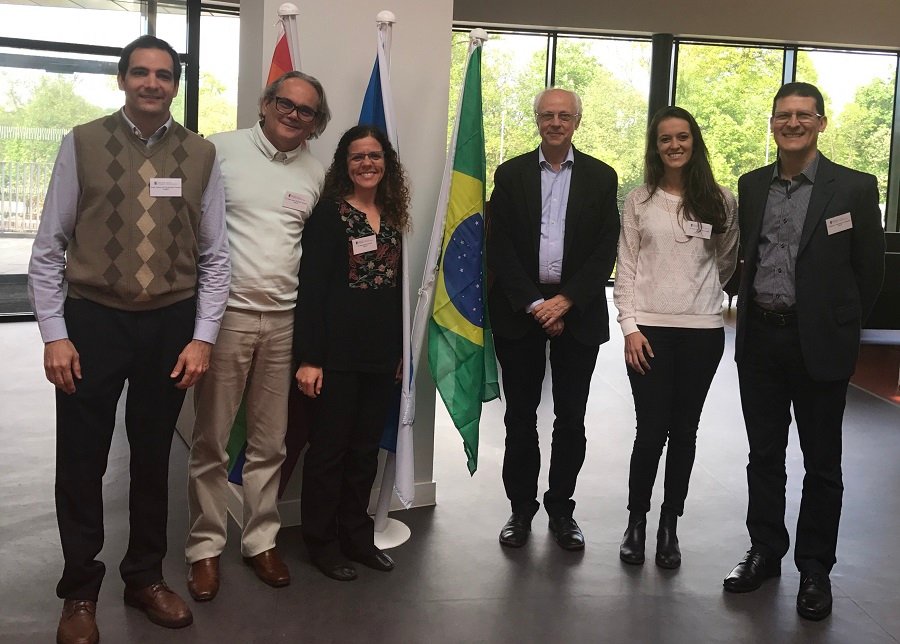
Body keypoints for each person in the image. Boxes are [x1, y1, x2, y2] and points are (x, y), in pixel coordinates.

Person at [27, 35, 230, 644]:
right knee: (82, 461)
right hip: (92, 322)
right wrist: (55, 334)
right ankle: (80, 592)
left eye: (163, 75)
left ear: (175, 85)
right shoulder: (83, 142)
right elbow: (47, 250)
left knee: (153, 458)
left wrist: (203, 338)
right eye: (139, 73)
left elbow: (216, 257)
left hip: (170, 326)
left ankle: (144, 578)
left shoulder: (200, 155)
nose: (151, 83)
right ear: (122, 80)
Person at [723, 82, 885, 621]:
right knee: (763, 455)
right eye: (782, 116)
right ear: (772, 124)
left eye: (803, 115)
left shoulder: (855, 188)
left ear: (821, 122)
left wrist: (837, 327)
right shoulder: (750, 186)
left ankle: (815, 568)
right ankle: (766, 550)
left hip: (819, 344)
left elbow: (870, 272)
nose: (792, 123)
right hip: (760, 339)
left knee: (823, 461)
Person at [184, 71, 330, 600]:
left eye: (306, 110)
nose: (294, 115)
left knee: (272, 441)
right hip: (227, 320)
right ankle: (204, 549)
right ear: (266, 104)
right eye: (285, 104)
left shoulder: (315, 172)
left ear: (315, 122)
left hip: (285, 321)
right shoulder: (217, 151)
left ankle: (261, 540)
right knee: (213, 441)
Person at [487, 88, 620, 551]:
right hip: (520, 309)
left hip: (577, 310)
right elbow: (498, 246)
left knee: (571, 419)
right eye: (548, 115)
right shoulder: (510, 174)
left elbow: (606, 248)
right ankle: (520, 510)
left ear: (578, 121)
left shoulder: (603, 178)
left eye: (565, 115)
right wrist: (534, 304)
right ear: (537, 120)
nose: (556, 122)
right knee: (520, 419)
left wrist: (566, 301)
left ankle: (562, 510)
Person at [614, 106, 738, 569]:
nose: (674, 145)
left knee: (685, 432)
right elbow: (624, 267)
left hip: (702, 334)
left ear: (695, 141)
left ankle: (670, 525)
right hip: (647, 334)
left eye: (682, 137)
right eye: (665, 139)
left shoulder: (721, 201)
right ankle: (636, 522)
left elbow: (725, 263)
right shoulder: (638, 200)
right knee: (650, 433)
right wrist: (630, 325)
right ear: (656, 147)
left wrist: (697, 297)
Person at [294, 125, 409, 581]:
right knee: (328, 453)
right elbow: (313, 290)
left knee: (364, 451)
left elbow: (396, 290)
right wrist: (309, 358)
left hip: (381, 357)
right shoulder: (328, 214)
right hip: (335, 356)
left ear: (386, 163)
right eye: (358, 156)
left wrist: (401, 351)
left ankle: (357, 539)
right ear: (345, 164)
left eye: (375, 156)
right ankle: (321, 544)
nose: (367, 164)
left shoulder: (393, 214)